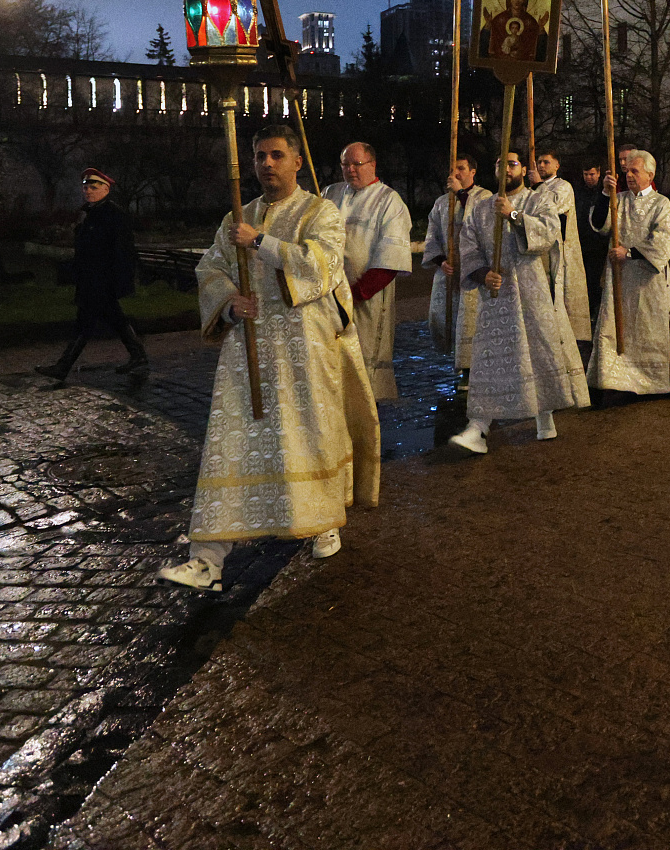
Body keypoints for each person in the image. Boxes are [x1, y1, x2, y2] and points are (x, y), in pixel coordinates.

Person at [159, 127, 379, 590]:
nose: (266, 164)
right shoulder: (236, 218)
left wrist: (260, 242)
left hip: (305, 348)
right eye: (259, 156)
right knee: (231, 444)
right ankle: (208, 559)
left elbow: (323, 265)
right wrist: (230, 302)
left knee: (305, 437)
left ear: (297, 162)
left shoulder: (321, 212)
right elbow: (211, 267)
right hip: (248, 350)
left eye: (276, 155)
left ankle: (321, 522)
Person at [444, 153, 590, 455]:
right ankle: (478, 428)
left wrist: (513, 215)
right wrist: (484, 274)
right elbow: (469, 246)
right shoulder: (480, 208)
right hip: (496, 299)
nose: (505, 169)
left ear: (524, 169)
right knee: (489, 360)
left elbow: (549, 234)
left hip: (531, 290)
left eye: (511, 164)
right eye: (499, 164)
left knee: (537, 353)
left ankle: (544, 415)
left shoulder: (537, 200)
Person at [587, 149, 670, 397]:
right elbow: (600, 224)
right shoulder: (617, 199)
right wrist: (603, 193)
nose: (629, 175)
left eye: (635, 171)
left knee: (648, 328)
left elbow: (664, 241)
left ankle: (653, 381)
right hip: (619, 277)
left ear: (649, 174)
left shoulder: (661, 203)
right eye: (627, 171)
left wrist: (630, 253)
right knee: (618, 328)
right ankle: (617, 380)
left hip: (647, 279)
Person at [321, 142, 412, 402]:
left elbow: (390, 259)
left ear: (372, 164)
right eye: (345, 164)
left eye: (356, 164)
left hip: (366, 298)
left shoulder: (388, 201)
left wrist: (355, 294)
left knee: (364, 370)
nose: (350, 170)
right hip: (329, 297)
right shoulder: (330, 193)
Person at [35, 168, 145, 383]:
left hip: (101, 280)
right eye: (85, 187)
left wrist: (118, 280)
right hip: (92, 279)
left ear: (106, 189)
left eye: (93, 187)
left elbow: (122, 251)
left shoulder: (113, 215)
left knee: (84, 323)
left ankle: (63, 367)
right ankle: (139, 357)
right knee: (116, 320)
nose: (88, 191)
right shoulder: (91, 214)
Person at [420, 156, 491, 440]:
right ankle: (455, 362)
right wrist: (440, 260)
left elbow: (476, 222)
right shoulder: (441, 202)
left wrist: (460, 195)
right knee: (444, 317)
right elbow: (433, 234)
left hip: (473, 270)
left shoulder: (483, 197)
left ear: (473, 171)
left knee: (471, 322)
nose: (456, 173)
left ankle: (469, 370)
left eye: (461, 169)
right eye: (453, 169)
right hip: (450, 272)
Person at [524, 151, 592, 345]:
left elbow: (552, 208)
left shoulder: (563, 187)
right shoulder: (530, 190)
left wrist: (538, 185)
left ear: (556, 166)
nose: (541, 165)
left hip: (560, 249)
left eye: (546, 162)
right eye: (538, 162)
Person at [478, 0, 547, 62]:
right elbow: (485, 47)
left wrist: (541, 28)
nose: (517, 0)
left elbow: (539, 51)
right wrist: (488, 24)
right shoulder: (499, 19)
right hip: (500, 65)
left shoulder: (531, 22)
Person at [578, 162, 609, 319]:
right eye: (585, 175)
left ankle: (596, 309)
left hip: (598, 244)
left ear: (598, 173)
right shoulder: (579, 192)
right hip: (582, 242)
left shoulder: (602, 193)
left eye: (591, 174)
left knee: (594, 279)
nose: (588, 178)